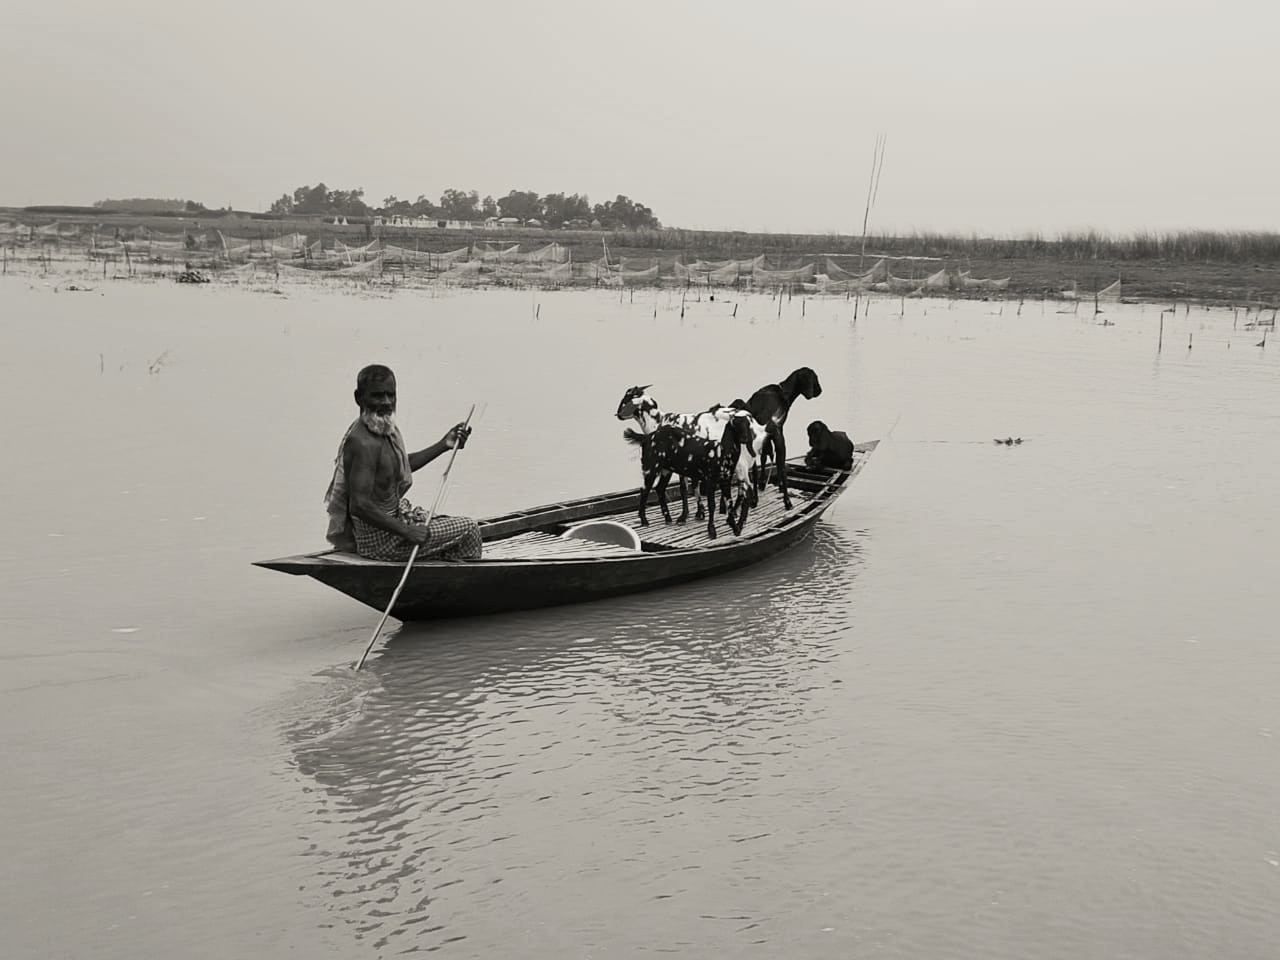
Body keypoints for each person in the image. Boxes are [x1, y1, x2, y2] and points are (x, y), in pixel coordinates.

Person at [324, 364, 482, 561]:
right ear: (359, 398)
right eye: (377, 396)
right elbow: (359, 505)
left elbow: (399, 466)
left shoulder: (382, 427)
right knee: (470, 529)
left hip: (395, 523)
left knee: (449, 527)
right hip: (380, 541)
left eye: (391, 395)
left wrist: (444, 444)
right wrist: (407, 531)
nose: (386, 402)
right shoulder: (363, 442)